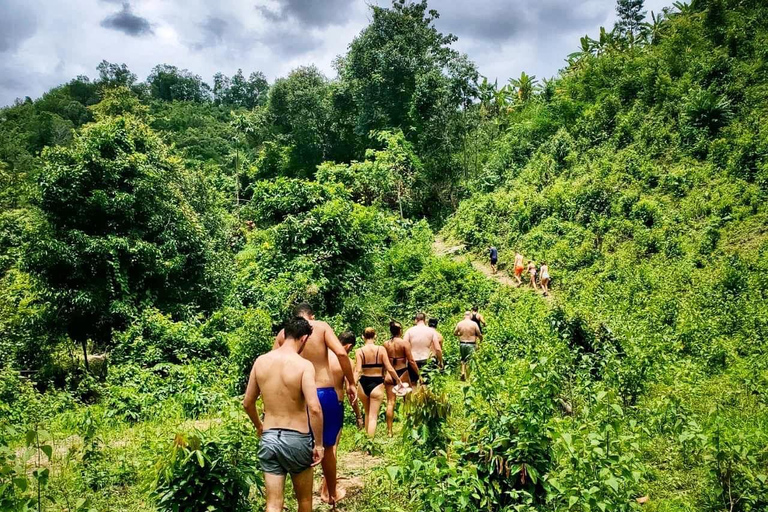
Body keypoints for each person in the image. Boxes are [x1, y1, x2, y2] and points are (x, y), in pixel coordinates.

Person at [273, 303, 356, 507]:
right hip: (323, 392)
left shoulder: (285, 333)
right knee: (328, 447)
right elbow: (342, 354)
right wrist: (351, 383)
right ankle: (331, 495)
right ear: (312, 316)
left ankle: (294, 497)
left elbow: (274, 361)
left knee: (299, 444)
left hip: (297, 394)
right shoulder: (321, 327)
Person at [243, 316, 324, 512]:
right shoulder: (304, 366)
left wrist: (260, 427)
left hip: (270, 438)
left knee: (273, 503)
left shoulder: (261, 361)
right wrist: (319, 445)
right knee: (304, 501)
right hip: (297, 439)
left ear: (285, 334)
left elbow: (247, 403)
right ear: (303, 339)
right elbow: (314, 408)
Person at [320, 330, 363, 504]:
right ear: (349, 346)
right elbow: (350, 391)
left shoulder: (319, 355)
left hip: (314, 402)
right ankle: (328, 491)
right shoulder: (345, 359)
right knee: (332, 447)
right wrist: (358, 416)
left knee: (315, 446)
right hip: (334, 404)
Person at [355, 327, 401, 437]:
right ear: (375, 336)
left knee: (367, 413)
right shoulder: (381, 349)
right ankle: (370, 443)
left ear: (363, 337)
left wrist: (352, 384)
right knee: (373, 416)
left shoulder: (359, 351)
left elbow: (358, 370)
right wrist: (398, 380)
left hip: (363, 382)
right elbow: (389, 368)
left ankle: (366, 440)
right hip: (377, 382)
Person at [383, 321, 419, 437]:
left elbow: (384, 362)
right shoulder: (404, 343)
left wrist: (383, 374)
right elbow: (411, 361)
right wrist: (419, 374)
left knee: (390, 403)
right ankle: (411, 426)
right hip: (402, 373)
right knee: (407, 401)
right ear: (400, 331)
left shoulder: (386, 344)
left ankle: (389, 431)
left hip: (390, 374)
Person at [403, 313, 443, 384]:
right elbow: (438, 348)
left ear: (416, 320)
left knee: (413, 383)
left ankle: (414, 394)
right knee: (426, 383)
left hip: (413, 361)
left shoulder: (409, 331)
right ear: (425, 320)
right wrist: (440, 361)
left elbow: (403, 346)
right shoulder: (431, 331)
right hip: (426, 360)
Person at [453, 311, 483, 381]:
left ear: (464, 316)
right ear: (470, 316)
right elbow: (479, 334)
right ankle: (468, 376)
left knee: (463, 359)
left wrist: (460, 334)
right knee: (470, 360)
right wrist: (481, 340)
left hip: (462, 343)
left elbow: (455, 333)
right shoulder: (474, 324)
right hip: (471, 344)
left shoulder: (460, 323)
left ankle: (463, 372)